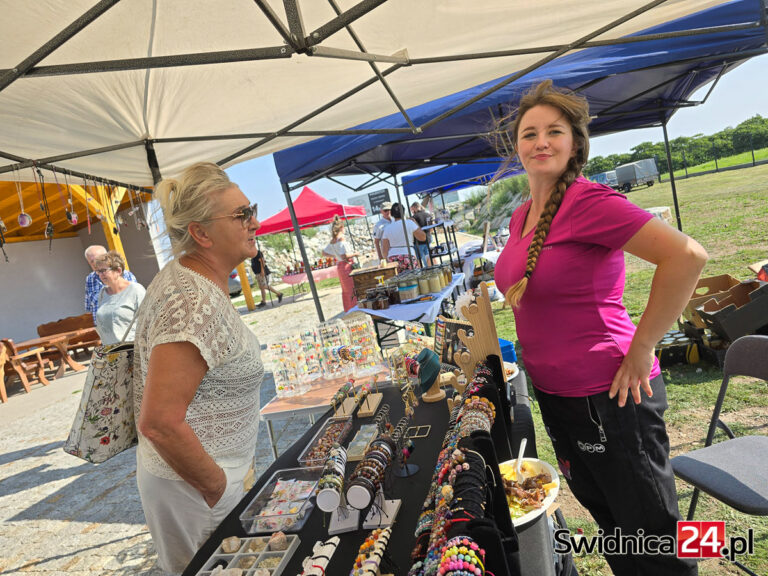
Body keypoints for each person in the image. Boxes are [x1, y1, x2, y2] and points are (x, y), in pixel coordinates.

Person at [493, 80, 706, 576]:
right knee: (610, 519)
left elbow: (687, 255)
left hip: (609, 395)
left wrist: (642, 346)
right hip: (555, 394)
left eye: (554, 131)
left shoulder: (588, 202)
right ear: (518, 147)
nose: (540, 142)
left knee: (654, 533)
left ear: (574, 144)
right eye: (529, 133)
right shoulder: (522, 215)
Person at [132, 162, 264, 574]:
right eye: (241, 215)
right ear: (201, 234)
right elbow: (159, 422)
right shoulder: (191, 301)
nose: (253, 222)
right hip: (194, 490)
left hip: (199, 482)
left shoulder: (196, 281)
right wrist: (215, 487)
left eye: (251, 209)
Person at [93, 251, 146, 345]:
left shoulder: (136, 290)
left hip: (132, 349)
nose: (101, 275)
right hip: (111, 351)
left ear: (118, 271)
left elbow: (147, 321)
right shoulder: (102, 293)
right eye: (98, 271)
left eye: (104, 270)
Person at [84, 244, 136, 324]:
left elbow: (136, 302)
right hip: (104, 331)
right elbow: (89, 307)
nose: (95, 263)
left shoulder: (125, 275)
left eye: (98, 259)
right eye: (92, 261)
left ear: (107, 257)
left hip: (126, 327)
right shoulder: (90, 279)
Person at [323, 215, 359, 312]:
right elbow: (345, 256)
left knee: (346, 290)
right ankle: (356, 308)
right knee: (352, 288)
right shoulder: (341, 240)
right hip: (347, 265)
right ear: (342, 228)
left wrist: (335, 255)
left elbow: (324, 252)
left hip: (340, 266)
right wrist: (356, 253)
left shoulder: (333, 241)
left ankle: (349, 309)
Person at [381, 202, 426, 272]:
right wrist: (415, 223)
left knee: (399, 281)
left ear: (392, 214)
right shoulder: (409, 223)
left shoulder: (387, 228)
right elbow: (423, 237)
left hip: (393, 257)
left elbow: (384, 251)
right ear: (403, 212)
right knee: (413, 279)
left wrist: (387, 261)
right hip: (408, 254)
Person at [409, 200, 433, 267]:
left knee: (419, 260)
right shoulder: (428, 215)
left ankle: (422, 273)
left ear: (414, 208)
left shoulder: (414, 218)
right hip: (428, 239)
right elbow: (431, 229)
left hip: (418, 242)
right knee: (428, 257)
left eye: (412, 209)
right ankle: (431, 270)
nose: (412, 211)